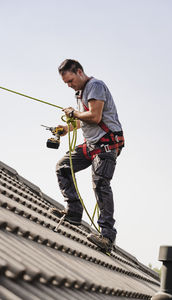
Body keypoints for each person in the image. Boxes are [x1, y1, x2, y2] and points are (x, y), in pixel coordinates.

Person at [52, 59, 124, 252]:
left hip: (107, 144)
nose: (69, 85)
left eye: (70, 80)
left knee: (100, 183)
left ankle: (107, 237)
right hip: (91, 144)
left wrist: (74, 113)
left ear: (80, 72)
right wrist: (67, 128)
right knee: (63, 167)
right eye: (66, 83)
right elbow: (85, 121)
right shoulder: (81, 92)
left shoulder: (95, 86)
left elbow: (95, 116)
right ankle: (74, 211)